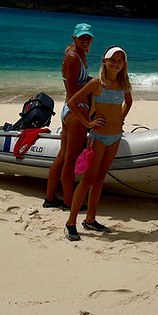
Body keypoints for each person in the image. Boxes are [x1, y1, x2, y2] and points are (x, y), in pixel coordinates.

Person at [63, 46, 132, 241]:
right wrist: (87, 123)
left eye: (120, 60)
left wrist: (121, 118)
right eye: (113, 59)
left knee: (100, 179)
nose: (116, 63)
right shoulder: (96, 84)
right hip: (98, 138)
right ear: (104, 61)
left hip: (115, 137)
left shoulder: (123, 83)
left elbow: (129, 102)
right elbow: (72, 103)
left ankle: (91, 219)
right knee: (87, 180)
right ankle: (70, 223)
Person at [43, 22, 94, 208]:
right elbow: (72, 90)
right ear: (75, 38)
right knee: (70, 159)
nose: (86, 41)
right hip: (76, 110)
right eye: (82, 38)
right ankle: (69, 202)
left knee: (63, 156)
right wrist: (85, 118)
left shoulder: (77, 54)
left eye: (88, 38)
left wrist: (93, 81)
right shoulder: (73, 57)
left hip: (69, 110)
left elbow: (77, 82)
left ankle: (50, 198)